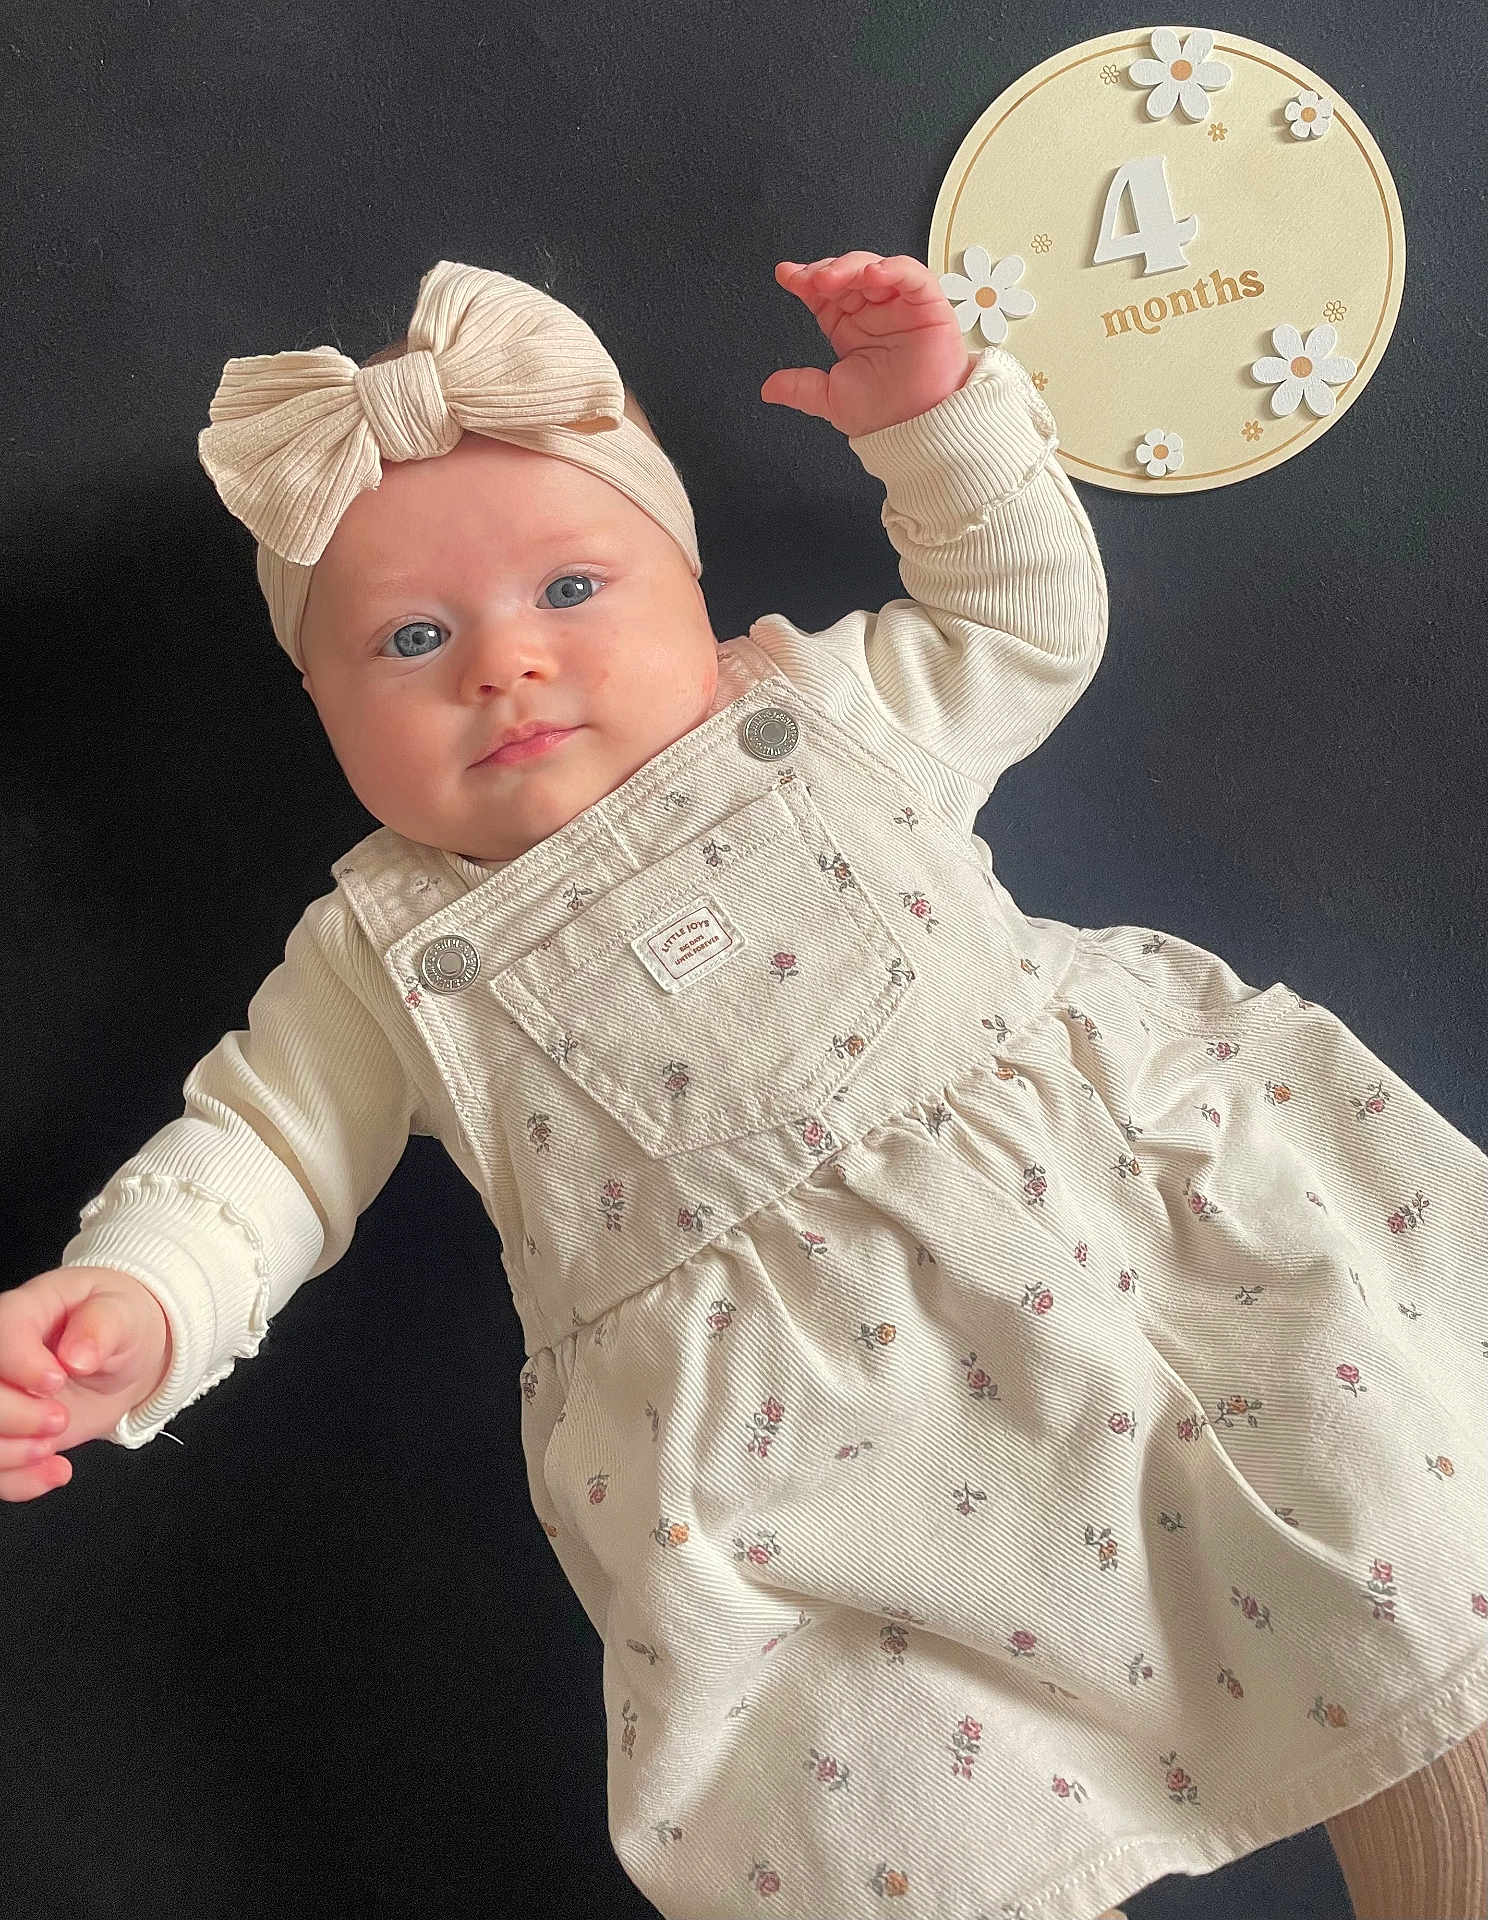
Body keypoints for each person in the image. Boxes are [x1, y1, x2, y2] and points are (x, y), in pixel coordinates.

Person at [3, 253, 1485, 1920]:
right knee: (891, 1826)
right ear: (321, 704)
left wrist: (937, 428)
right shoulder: (375, 955)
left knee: (1405, 1570)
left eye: (572, 590)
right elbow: (261, 1160)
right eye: (414, 640)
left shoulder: (834, 706)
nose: (506, 667)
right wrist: (132, 1298)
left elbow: (1022, 619)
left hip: (1133, 1268)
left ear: (689, 583)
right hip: (809, 1487)